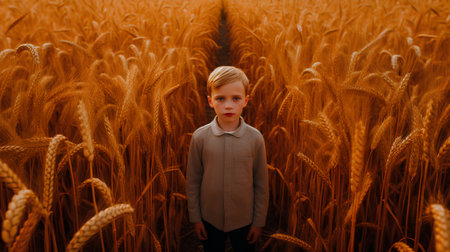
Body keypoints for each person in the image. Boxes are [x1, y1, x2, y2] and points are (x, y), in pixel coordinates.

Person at [186, 66, 269, 252]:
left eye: (236, 98)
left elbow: (261, 184)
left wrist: (258, 222)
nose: (229, 105)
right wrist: (196, 218)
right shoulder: (200, 138)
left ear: (246, 100)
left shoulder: (255, 139)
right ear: (210, 101)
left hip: (244, 220)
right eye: (220, 99)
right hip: (210, 219)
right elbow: (193, 181)